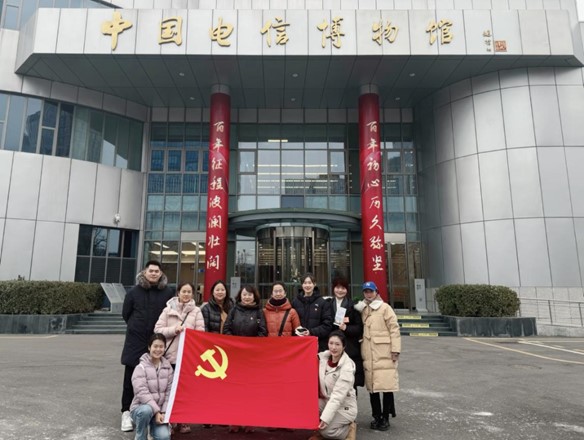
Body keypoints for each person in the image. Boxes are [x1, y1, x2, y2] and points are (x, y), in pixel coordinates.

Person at [120, 260, 174, 432]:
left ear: (161, 274)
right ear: (145, 272)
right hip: (136, 341)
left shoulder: (168, 292)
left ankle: (158, 413)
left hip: (158, 341)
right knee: (131, 376)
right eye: (151, 271)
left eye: (157, 271)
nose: (153, 273)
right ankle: (126, 412)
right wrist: (137, 326)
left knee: (159, 379)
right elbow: (126, 314)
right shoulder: (133, 292)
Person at [154, 281, 205, 434]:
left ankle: (183, 421)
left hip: (187, 358)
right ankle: (169, 420)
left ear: (193, 294)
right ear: (178, 293)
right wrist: (174, 330)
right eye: (184, 291)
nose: (186, 294)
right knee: (167, 391)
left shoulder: (196, 311)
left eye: (189, 292)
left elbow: (200, 333)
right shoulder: (167, 310)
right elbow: (158, 330)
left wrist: (189, 333)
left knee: (184, 391)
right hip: (169, 357)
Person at [355, 281, 401, 431]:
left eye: (371, 291)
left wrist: (395, 350)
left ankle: (385, 417)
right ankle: (376, 416)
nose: (368, 294)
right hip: (368, 353)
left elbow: (394, 329)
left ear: (376, 292)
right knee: (372, 388)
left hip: (384, 353)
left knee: (387, 387)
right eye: (366, 291)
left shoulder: (385, 308)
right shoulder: (362, 309)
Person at [223, 285, 267, 433]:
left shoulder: (259, 312)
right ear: (240, 296)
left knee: (251, 390)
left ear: (254, 296)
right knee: (235, 390)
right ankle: (235, 420)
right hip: (235, 357)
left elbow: (263, 333)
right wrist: (235, 344)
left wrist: (251, 346)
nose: (247, 297)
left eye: (249, 295)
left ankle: (249, 421)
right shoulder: (234, 310)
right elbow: (226, 329)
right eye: (244, 294)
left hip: (252, 358)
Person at [311, 330, 357, 440]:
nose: (333, 347)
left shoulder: (347, 367)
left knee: (327, 431)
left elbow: (337, 397)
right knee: (308, 407)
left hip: (344, 407)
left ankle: (349, 429)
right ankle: (321, 430)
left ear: (344, 346)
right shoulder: (323, 358)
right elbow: (306, 356)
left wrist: (325, 419)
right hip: (327, 401)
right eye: (331, 343)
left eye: (337, 344)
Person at [130, 333, 173, 440]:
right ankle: (140, 435)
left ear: (165, 348)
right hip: (141, 408)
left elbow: (169, 393)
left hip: (159, 412)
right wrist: (156, 411)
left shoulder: (168, 368)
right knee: (146, 410)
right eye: (155, 346)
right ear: (149, 347)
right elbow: (141, 392)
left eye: (161, 346)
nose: (158, 349)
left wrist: (163, 412)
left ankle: (152, 429)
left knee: (164, 437)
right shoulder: (140, 367)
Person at [327, 277, 364, 390]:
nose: (340, 290)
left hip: (349, 348)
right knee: (332, 382)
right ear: (333, 288)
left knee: (350, 383)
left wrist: (346, 328)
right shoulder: (327, 304)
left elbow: (359, 328)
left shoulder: (353, 306)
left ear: (347, 289)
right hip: (333, 348)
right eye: (337, 287)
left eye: (343, 288)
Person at [292, 273, 333, 351]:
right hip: (299, 344)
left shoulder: (322, 302)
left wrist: (311, 332)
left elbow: (327, 325)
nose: (307, 285)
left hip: (317, 344)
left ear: (314, 284)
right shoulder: (295, 302)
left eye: (310, 283)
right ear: (302, 285)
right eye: (305, 283)